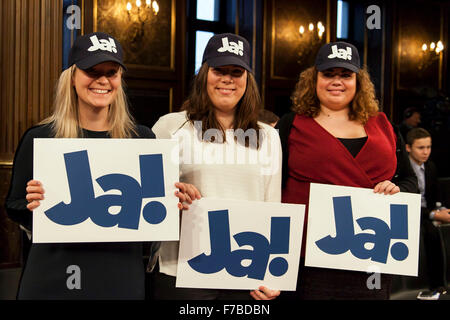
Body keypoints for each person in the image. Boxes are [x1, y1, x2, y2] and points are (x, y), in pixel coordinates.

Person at [4, 32, 194, 299]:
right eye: (92, 71)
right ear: (72, 77)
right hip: (53, 272)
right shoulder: (41, 137)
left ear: (119, 79)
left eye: (111, 72)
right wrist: (32, 203)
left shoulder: (142, 138)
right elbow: (14, 206)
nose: (102, 80)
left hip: (119, 273)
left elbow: (153, 217)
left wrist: (171, 198)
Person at [276, 41, 418, 300]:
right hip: (307, 257)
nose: (336, 81)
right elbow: (273, 187)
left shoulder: (384, 125)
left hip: (371, 251)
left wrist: (396, 189)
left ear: (358, 81)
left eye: (345, 75)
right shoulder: (291, 125)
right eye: (328, 74)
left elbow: (409, 181)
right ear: (313, 79)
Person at [149, 33, 282, 300]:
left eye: (236, 71)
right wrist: (173, 195)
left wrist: (272, 273)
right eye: (219, 70)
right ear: (204, 75)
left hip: (245, 272)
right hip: (182, 272)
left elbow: (272, 207)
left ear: (247, 80)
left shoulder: (268, 135)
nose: (227, 79)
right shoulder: (170, 126)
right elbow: (149, 201)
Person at [406, 127, 450, 292]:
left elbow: (435, 195)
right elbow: (407, 201)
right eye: (421, 148)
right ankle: (436, 284)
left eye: (428, 147)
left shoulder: (430, 167)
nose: (426, 152)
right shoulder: (402, 169)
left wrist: (441, 211)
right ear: (408, 148)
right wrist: (433, 214)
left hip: (427, 211)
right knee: (431, 232)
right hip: (410, 212)